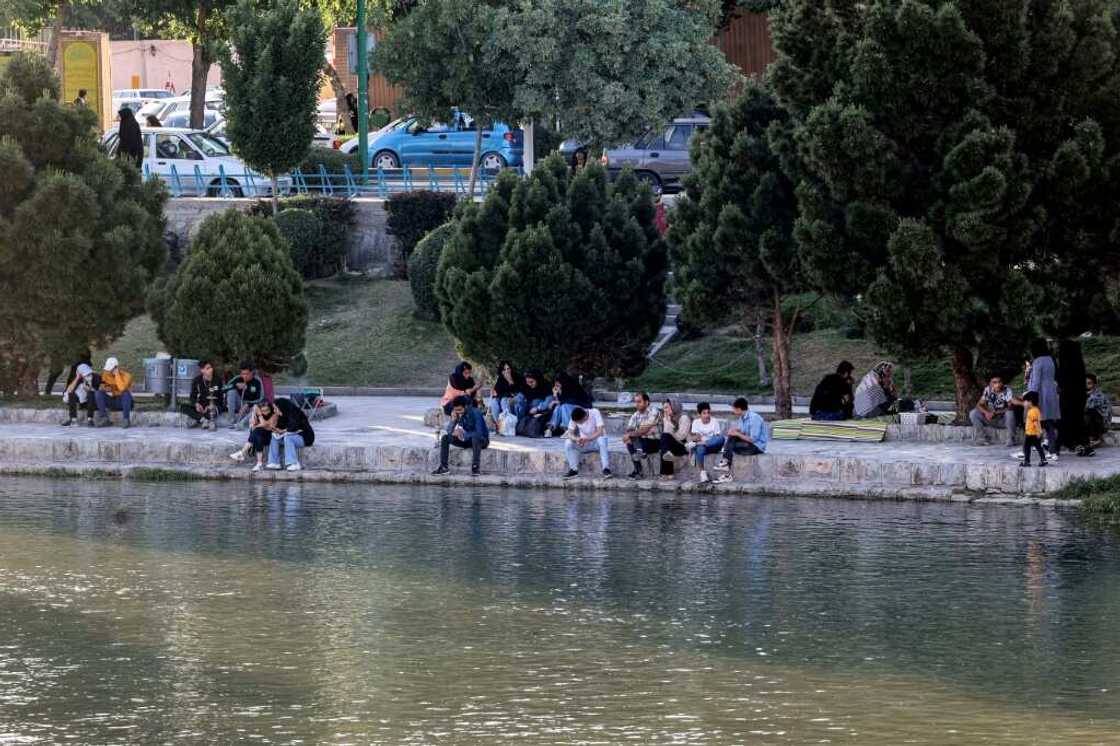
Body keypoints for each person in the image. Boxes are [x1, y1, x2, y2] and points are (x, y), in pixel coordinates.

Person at [713, 397, 768, 484]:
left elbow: (753, 439)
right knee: (731, 439)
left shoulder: (754, 418)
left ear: (739, 409)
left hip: (757, 447)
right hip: (748, 444)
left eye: (734, 409)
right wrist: (734, 431)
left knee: (730, 447)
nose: (733, 411)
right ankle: (726, 465)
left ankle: (726, 468)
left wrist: (737, 434)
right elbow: (741, 431)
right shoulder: (742, 418)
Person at [432, 395, 489, 476]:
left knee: (475, 437)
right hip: (467, 440)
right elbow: (449, 432)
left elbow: (479, 433)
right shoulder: (457, 413)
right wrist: (453, 420)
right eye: (456, 410)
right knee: (445, 438)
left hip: (481, 440)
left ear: (465, 406)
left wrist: (463, 434)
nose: (458, 412)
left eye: (460, 410)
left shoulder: (476, 412)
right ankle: (444, 467)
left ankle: (475, 467)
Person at [1027, 338, 1060, 459]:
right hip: (1051, 391)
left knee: (1036, 419)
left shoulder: (1038, 361)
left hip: (1041, 393)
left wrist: (1032, 395)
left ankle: (1032, 446)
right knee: (1049, 421)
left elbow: (1036, 381)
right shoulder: (1051, 359)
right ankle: (1052, 450)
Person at [562, 406, 613, 480]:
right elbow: (569, 434)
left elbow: (600, 432)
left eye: (580, 422)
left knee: (601, 439)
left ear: (585, 417)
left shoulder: (595, 412)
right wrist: (577, 439)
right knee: (568, 442)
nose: (579, 424)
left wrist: (588, 439)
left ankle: (606, 469)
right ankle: (574, 470)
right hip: (584, 444)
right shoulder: (575, 417)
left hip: (597, 443)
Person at [267, 397, 316, 472]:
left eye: (276, 409)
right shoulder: (282, 414)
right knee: (274, 436)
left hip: (304, 437)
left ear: (282, 407)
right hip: (290, 437)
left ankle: (294, 463)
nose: (274, 411)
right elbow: (281, 427)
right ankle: (274, 462)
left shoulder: (295, 412)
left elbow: (294, 427)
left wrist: (282, 431)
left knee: (288, 437)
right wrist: (276, 429)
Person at [1056, 339, 1087, 456]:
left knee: (1064, 420)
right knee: (1078, 420)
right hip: (1079, 396)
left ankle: (1058, 446)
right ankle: (1081, 445)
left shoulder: (1065, 365)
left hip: (1067, 397)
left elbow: (1061, 382)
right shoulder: (1079, 364)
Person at [230, 400, 280, 472]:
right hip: (259, 436)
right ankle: (258, 463)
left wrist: (259, 416)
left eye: (267, 410)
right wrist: (254, 413)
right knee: (257, 434)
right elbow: (253, 424)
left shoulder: (274, 414)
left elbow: (267, 425)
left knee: (257, 431)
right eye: (263, 411)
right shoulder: (258, 413)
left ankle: (242, 453)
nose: (265, 413)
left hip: (271, 437)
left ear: (270, 409)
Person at [622, 392, 662, 479]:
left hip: (655, 442)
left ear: (646, 402)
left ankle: (640, 453)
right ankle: (638, 469)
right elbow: (629, 429)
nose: (636, 404)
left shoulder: (654, 411)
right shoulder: (636, 414)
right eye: (635, 402)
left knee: (632, 437)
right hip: (641, 441)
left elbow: (645, 429)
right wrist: (632, 433)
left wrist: (636, 432)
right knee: (629, 441)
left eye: (639, 402)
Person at [968, 375, 1017, 445]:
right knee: (973, 413)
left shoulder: (1007, 390)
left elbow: (1010, 407)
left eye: (999, 382)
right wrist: (986, 413)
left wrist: (995, 413)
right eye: (994, 382)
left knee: (1010, 413)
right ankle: (981, 438)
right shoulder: (987, 390)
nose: (997, 385)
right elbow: (978, 405)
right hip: (990, 419)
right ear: (990, 384)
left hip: (1003, 420)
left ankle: (1011, 439)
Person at [180, 361, 225, 430]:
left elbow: (221, 398)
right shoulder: (197, 380)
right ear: (202, 370)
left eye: (211, 368)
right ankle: (203, 420)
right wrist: (196, 404)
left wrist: (212, 405)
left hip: (214, 405)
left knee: (213, 411)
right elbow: (192, 397)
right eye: (208, 368)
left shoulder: (218, 380)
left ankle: (199, 419)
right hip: (202, 405)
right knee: (183, 407)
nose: (211, 370)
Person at [656, 398, 692, 480]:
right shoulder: (670, 418)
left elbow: (681, 436)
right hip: (674, 445)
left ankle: (666, 473)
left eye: (666, 407)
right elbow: (667, 434)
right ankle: (668, 474)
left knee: (665, 440)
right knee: (665, 448)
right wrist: (666, 421)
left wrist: (668, 425)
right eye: (663, 408)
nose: (664, 410)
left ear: (674, 406)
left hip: (684, 447)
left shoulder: (684, 417)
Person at [688, 402, 724, 484]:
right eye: (704, 413)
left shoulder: (714, 421)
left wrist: (703, 441)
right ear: (699, 414)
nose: (707, 415)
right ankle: (702, 472)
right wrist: (697, 439)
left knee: (721, 438)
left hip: (714, 446)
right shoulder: (696, 422)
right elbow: (695, 437)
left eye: (708, 413)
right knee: (700, 448)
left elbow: (717, 438)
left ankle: (702, 444)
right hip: (703, 448)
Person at [95, 357, 134, 428]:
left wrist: (117, 375)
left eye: (110, 369)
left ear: (116, 367)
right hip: (114, 400)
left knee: (125, 393)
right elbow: (103, 385)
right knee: (98, 393)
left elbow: (122, 388)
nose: (108, 371)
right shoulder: (106, 374)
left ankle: (126, 419)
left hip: (126, 403)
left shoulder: (127, 376)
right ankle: (104, 418)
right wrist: (104, 388)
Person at [227, 361, 265, 429]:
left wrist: (248, 404)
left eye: (247, 374)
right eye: (242, 374)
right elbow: (224, 388)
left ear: (252, 373)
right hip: (239, 405)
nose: (244, 376)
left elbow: (261, 398)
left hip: (250, 407)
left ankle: (242, 423)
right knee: (231, 392)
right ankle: (231, 420)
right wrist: (235, 385)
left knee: (257, 407)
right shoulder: (238, 378)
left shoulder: (257, 381)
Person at [488, 361, 522, 425]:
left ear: (511, 369)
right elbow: (497, 391)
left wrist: (510, 380)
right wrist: (494, 392)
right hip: (501, 397)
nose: (507, 371)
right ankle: (498, 424)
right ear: (501, 371)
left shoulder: (516, 377)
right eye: (504, 369)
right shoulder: (501, 378)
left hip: (512, 397)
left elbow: (517, 391)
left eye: (508, 368)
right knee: (494, 402)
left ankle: (508, 424)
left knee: (504, 401)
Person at [1021, 391, 1048, 468]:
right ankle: (1043, 459)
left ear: (1030, 402)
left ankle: (1027, 461)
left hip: (1030, 433)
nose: (1024, 403)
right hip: (1034, 433)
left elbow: (1036, 422)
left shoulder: (1031, 412)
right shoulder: (1036, 409)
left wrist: (1039, 431)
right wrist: (1039, 431)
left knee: (1026, 447)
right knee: (1038, 447)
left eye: (1025, 401)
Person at [1084, 373, 1110, 452]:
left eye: (1089, 383)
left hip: (1102, 423)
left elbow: (1088, 407)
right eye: (1085, 383)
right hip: (1093, 421)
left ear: (1094, 384)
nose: (1086, 385)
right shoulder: (1086, 394)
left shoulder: (1098, 395)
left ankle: (1095, 437)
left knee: (1090, 411)